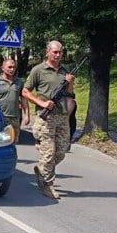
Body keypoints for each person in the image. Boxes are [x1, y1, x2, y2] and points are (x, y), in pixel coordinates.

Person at [22, 40, 75, 200]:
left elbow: (70, 95)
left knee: (61, 151)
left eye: (60, 52)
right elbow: (25, 91)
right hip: (46, 118)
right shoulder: (38, 70)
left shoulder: (65, 71)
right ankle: (48, 185)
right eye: (55, 52)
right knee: (48, 152)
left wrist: (70, 83)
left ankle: (42, 169)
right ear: (48, 52)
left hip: (62, 116)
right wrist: (41, 103)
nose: (58, 55)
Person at [0, 59, 30, 143]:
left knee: (13, 142)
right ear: (3, 68)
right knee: (0, 142)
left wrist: (27, 115)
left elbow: (24, 98)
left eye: (14, 67)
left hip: (15, 117)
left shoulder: (19, 82)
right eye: (9, 67)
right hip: (1, 117)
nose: (12, 69)